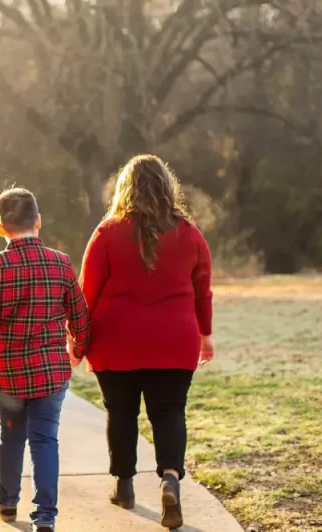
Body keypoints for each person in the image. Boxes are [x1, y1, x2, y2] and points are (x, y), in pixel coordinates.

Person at [75, 154, 214, 530]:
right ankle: (170, 480)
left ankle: (124, 486)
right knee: (169, 413)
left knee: (121, 412)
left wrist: (78, 341)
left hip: (115, 341)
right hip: (174, 341)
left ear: (125, 188)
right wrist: (205, 335)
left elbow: (87, 294)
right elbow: (202, 291)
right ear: (168, 188)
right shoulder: (190, 234)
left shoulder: (107, 232)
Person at [0, 187, 90, 532]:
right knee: (45, 440)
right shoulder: (60, 262)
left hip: (8, 376)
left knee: (12, 437)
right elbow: (80, 317)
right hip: (51, 373)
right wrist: (78, 348)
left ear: (1, 228)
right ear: (38, 221)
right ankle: (45, 516)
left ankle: (7, 501)